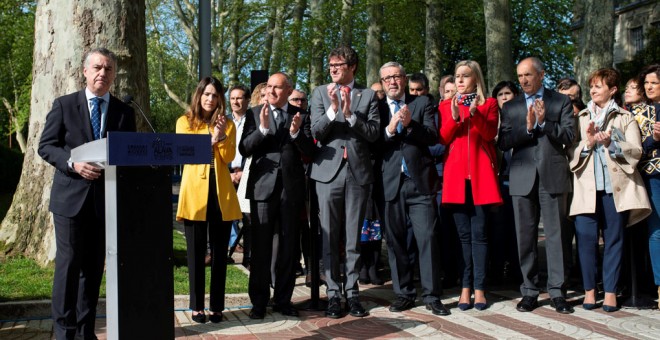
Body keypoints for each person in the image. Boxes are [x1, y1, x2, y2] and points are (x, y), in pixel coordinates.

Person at [38, 48, 136, 339]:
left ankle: (85, 331)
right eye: (97, 67)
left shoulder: (124, 112)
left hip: (104, 201)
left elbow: (129, 154)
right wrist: (73, 163)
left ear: (114, 75)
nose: (102, 73)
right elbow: (46, 146)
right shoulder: (65, 105)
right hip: (70, 200)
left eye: (108, 69)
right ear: (85, 71)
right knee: (69, 267)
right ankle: (63, 332)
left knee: (93, 271)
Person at [497, 57, 576, 314]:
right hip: (522, 177)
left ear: (541, 75)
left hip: (552, 175)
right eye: (520, 76)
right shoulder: (512, 107)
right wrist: (529, 128)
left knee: (556, 236)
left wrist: (544, 123)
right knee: (525, 237)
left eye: (528, 75)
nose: (523, 80)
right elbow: (504, 141)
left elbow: (569, 135)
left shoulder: (560, 101)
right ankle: (529, 290)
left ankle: (557, 291)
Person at [569, 68, 651, 312]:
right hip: (586, 190)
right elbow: (569, 151)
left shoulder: (625, 117)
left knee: (614, 240)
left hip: (615, 191)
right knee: (585, 240)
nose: (593, 90)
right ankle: (590, 291)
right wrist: (588, 144)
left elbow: (636, 152)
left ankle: (612, 292)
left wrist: (611, 143)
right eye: (591, 86)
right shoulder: (580, 117)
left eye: (598, 86)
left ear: (613, 90)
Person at [309, 45, 380, 319]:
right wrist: (333, 111)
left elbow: (374, 133)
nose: (333, 70)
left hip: (358, 173)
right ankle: (332, 296)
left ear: (352, 67)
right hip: (327, 172)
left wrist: (350, 115)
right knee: (329, 236)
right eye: (330, 66)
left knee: (353, 239)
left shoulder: (369, 95)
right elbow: (315, 130)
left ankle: (352, 294)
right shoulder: (319, 94)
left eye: (338, 65)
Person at [373, 61, 449, 315]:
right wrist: (391, 129)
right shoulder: (377, 108)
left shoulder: (422, 103)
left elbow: (432, 136)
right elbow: (372, 145)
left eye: (396, 77)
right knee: (395, 242)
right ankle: (403, 293)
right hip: (390, 183)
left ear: (404, 80)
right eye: (387, 79)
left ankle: (431, 295)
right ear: (382, 83)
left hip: (420, 182)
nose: (392, 82)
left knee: (427, 238)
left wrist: (409, 125)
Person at [239, 72, 316, 319]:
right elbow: (244, 148)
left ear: (288, 90)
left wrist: (295, 134)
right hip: (263, 186)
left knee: (288, 247)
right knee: (260, 248)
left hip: (291, 189)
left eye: (276, 87)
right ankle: (259, 302)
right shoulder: (253, 114)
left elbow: (310, 151)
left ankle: (283, 300)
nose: (270, 91)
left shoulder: (301, 114)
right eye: (269, 86)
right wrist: (261, 129)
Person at [175, 77, 242, 324]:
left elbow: (228, 157)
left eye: (215, 95)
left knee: (219, 255)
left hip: (220, 196)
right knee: (195, 254)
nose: (210, 99)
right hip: (194, 196)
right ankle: (196, 306)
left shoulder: (228, 124)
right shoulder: (184, 122)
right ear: (198, 95)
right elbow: (186, 152)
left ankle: (216, 306)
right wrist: (210, 140)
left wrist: (221, 135)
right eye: (207, 94)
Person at [439, 60, 502, 311]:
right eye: (457, 76)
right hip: (456, 179)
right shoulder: (445, 105)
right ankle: (465, 288)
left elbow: (489, 135)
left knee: (480, 236)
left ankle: (480, 288)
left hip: (481, 178)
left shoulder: (489, 104)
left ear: (476, 79)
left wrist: (474, 114)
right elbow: (443, 138)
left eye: (465, 76)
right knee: (462, 237)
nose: (460, 81)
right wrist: (455, 117)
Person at [489, 80, 522, 285]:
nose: (504, 97)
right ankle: (497, 270)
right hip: (497, 183)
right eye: (500, 94)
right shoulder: (492, 122)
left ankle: (517, 271)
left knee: (518, 230)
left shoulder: (522, 119)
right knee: (497, 230)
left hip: (519, 181)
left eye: (508, 93)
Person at [636, 64, 660, 307]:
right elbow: (634, 150)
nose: (649, 87)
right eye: (646, 83)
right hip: (653, 177)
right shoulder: (639, 112)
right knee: (657, 230)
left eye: (654, 82)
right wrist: (654, 139)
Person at [227, 84, 252, 269]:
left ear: (247, 100)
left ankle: (249, 258)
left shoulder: (254, 120)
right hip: (226, 174)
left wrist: (244, 172)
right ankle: (221, 254)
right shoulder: (224, 121)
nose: (235, 101)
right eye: (232, 98)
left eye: (239, 97)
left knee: (248, 219)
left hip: (247, 173)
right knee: (224, 216)